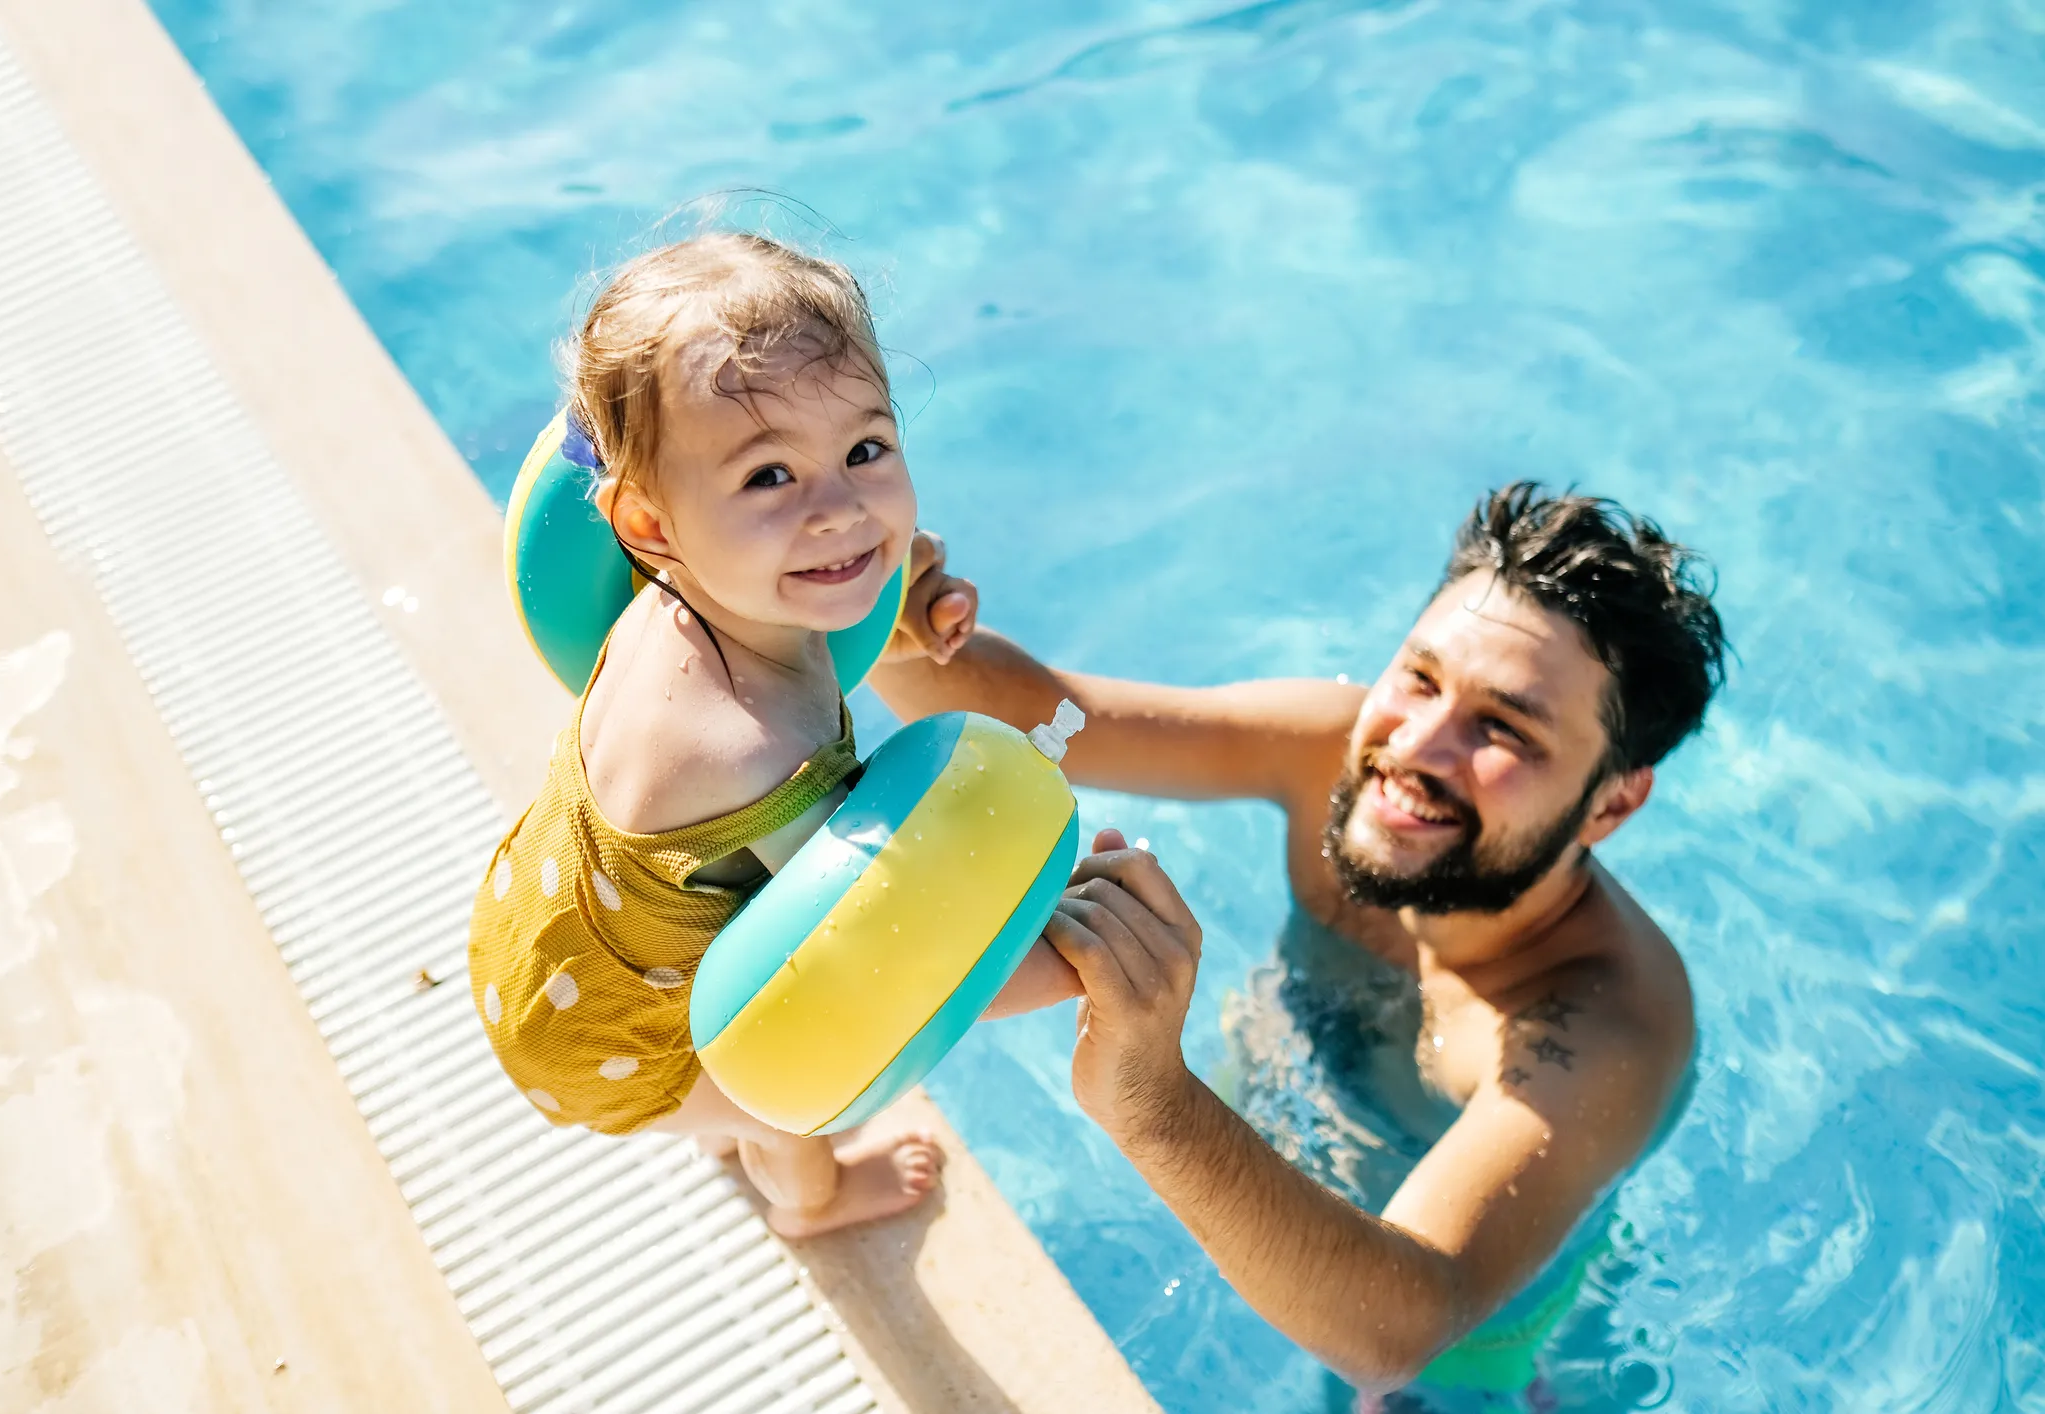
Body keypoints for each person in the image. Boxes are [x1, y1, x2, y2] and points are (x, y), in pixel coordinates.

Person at [871, 484, 1726, 1404]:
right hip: (1273, 1153)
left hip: (1470, 1350)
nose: (1416, 749)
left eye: (1503, 728)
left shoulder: (1601, 1024)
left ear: (1612, 803)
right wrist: (883, 621)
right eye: (1420, 678)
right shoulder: (1332, 750)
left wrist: (1148, 1096)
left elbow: (1400, 1325)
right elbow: (1036, 715)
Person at [467, 233, 1071, 1238]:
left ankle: (723, 1121)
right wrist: (1066, 945)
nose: (839, 511)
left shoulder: (669, 592)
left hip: (535, 934)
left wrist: (906, 608)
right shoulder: (752, 750)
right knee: (780, 1107)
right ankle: (810, 1207)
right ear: (650, 521)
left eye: (865, 450)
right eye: (768, 478)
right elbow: (876, 955)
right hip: (611, 1039)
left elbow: (824, 594)